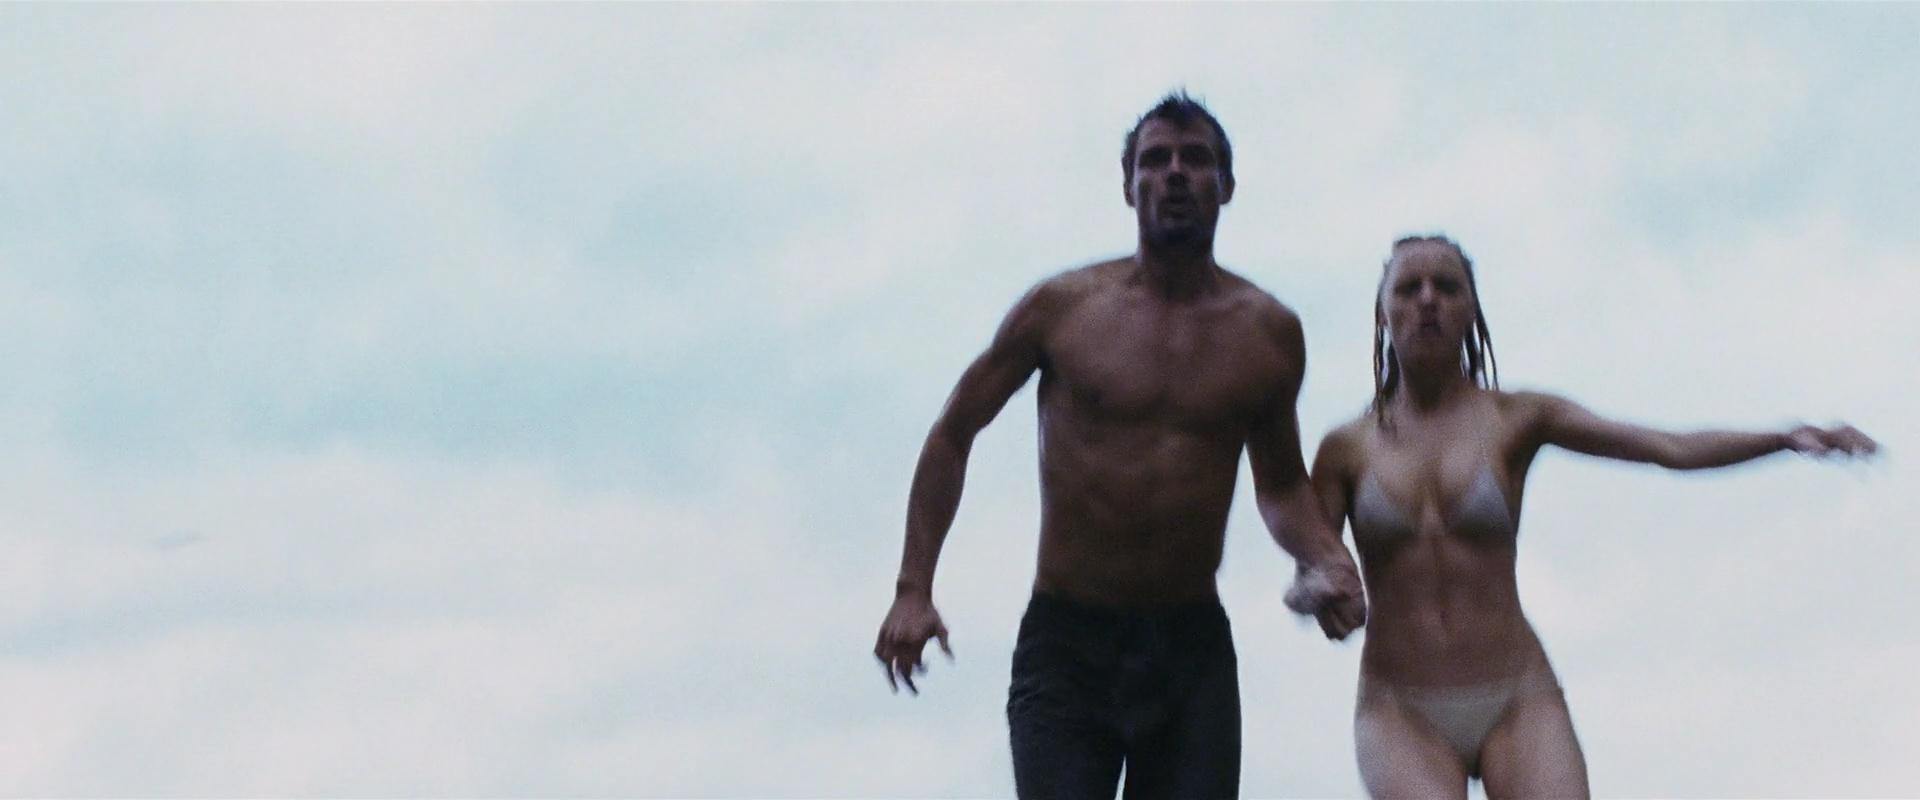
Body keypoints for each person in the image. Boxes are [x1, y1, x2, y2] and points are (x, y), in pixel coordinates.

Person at [872, 91, 1366, 798]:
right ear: (1129, 186)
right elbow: (955, 431)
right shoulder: (1063, 309)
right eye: (1154, 160)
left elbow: (1282, 485)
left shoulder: (1267, 334)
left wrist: (1327, 556)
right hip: (1068, 642)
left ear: (1226, 185)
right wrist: (913, 589)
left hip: (1190, 650)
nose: (1174, 173)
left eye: (1194, 159)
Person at [1310, 234, 1880, 799]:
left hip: (1518, 697)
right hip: (1401, 710)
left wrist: (1784, 438)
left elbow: (1667, 447)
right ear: (1382, 314)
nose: (1428, 299)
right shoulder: (1345, 450)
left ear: (1471, 311)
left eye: (1447, 287)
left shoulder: (1517, 419)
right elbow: (1311, 564)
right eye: (1409, 288)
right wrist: (1318, 593)